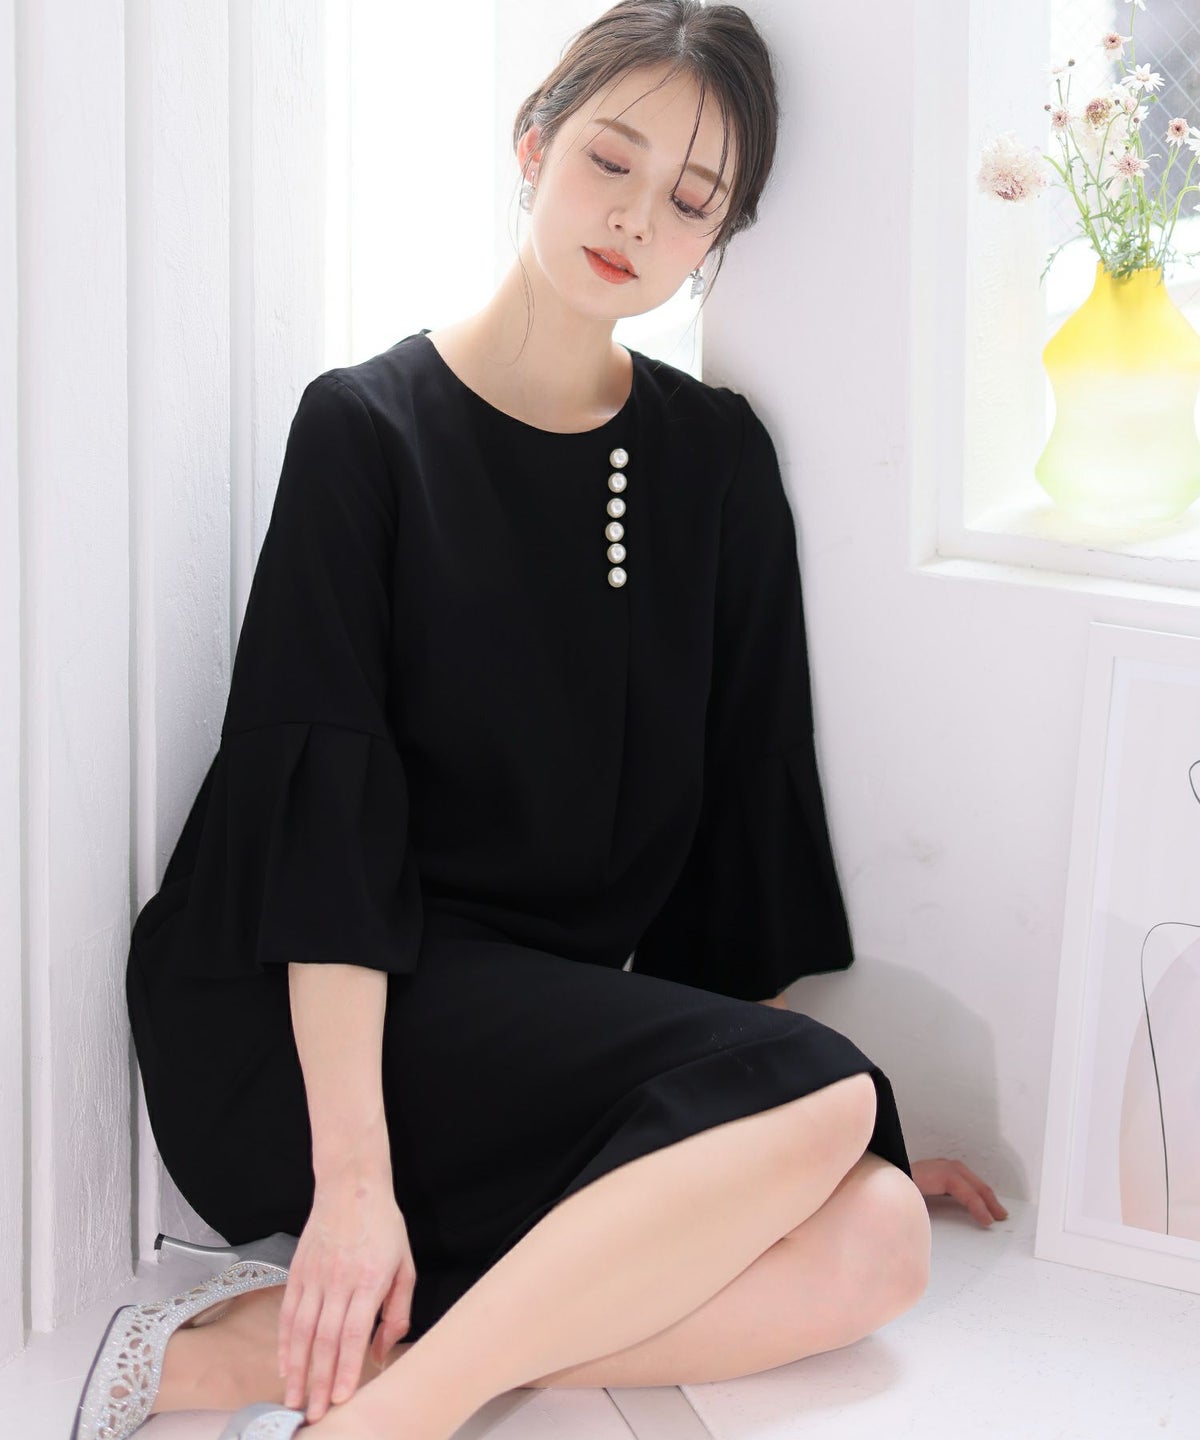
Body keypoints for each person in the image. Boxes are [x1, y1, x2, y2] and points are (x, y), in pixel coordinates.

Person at [113, 4, 1004, 1439]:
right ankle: (391, 1423)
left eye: (691, 201)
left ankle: (291, 1367)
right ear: (532, 143)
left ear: (715, 240)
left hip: (527, 1037)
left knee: (878, 1235)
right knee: (832, 1106)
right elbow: (321, 841)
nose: (637, 217)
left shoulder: (716, 463)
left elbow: (742, 825)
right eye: (610, 159)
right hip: (309, 1026)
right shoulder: (365, 431)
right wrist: (354, 1188)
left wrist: (777, 1139)